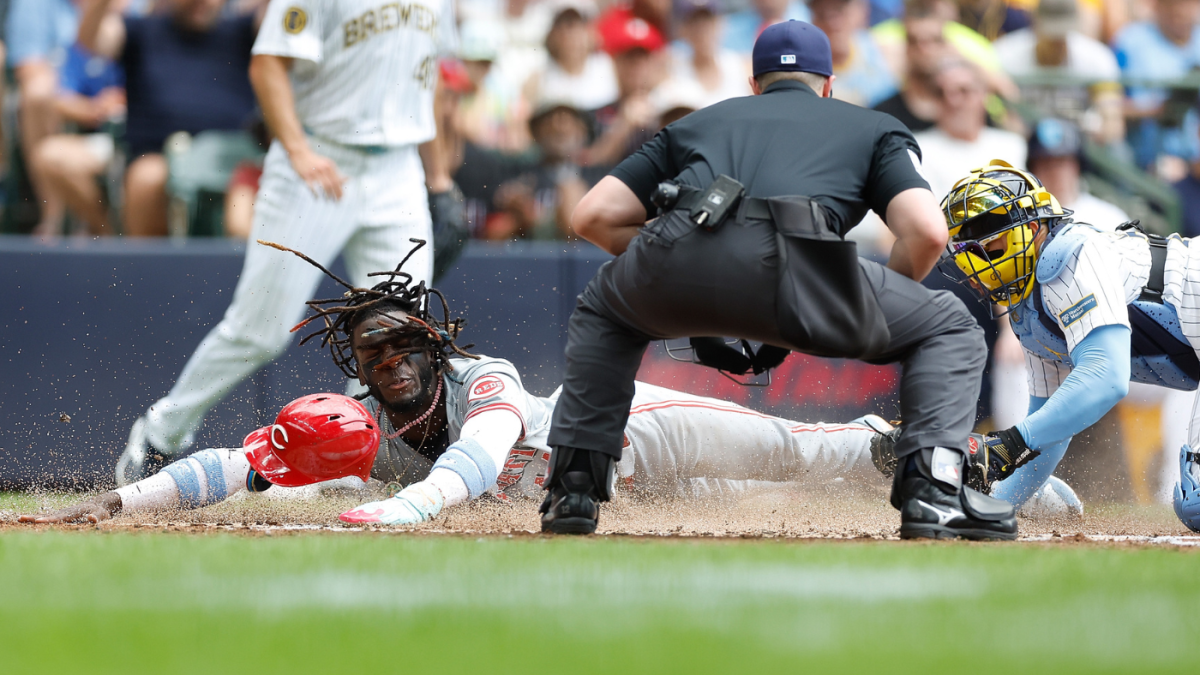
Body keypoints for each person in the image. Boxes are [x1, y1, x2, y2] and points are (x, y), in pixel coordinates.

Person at [19, 243, 905, 525]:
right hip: (617, 499)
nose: (392, 359)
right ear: (355, 366)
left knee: (799, 453)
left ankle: (925, 455)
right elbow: (244, 460)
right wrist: (126, 500)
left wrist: (401, 509)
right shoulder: (356, 419)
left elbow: (482, 457)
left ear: (433, 343)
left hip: (630, 434)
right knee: (745, 501)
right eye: (373, 352)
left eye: (405, 342)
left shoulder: (487, 377)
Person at [540, 20, 1017, 540]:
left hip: (677, 247)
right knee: (949, 325)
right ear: (828, 85)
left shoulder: (698, 121)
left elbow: (592, 217)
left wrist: (678, 261)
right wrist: (868, 308)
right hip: (806, 267)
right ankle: (934, 495)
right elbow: (926, 232)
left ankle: (574, 490)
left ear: (753, 83)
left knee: (606, 310)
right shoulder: (872, 126)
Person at [112, 0, 461, 486]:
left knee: (397, 329)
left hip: (398, 166)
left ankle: (362, 460)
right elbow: (268, 63)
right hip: (318, 155)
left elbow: (431, 79)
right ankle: (159, 435)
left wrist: (438, 177)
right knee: (261, 329)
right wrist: (297, 148)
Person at [937, 160, 1200, 533]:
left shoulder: (1070, 255)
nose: (982, 263)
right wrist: (991, 507)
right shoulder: (1027, 309)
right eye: (971, 253)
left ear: (1030, 228)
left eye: (991, 245)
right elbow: (1051, 428)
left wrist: (1010, 442)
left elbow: (1107, 377)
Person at [913, 59, 1027, 198]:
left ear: (984, 95)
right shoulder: (917, 150)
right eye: (941, 93)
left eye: (964, 91)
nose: (953, 100)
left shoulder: (1011, 145)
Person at [806, 0, 897, 108]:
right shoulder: (805, 67)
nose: (833, 23)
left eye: (839, 11)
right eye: (822, 15)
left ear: (860, 11)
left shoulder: (881, 52)